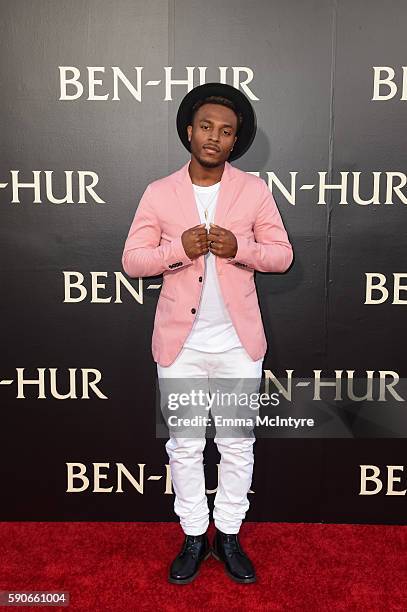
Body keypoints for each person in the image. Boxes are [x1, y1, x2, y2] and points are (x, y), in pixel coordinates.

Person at [121, 82, 293, 584]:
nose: (214, 136)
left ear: (236, 141)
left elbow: (282, 256)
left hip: (239, 347)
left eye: (226, 130)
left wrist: (241, 247)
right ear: (188, 131)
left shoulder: (254, 191)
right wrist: (180, 248)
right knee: (185, 446)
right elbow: (133, 261)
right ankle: (195, 536)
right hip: (182, 349)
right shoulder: (159, 192)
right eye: (206, 126)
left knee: (238, 444)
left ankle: (230, 535)